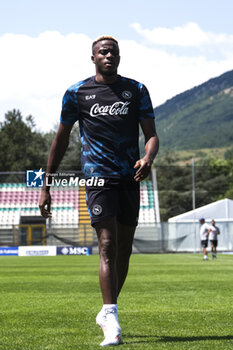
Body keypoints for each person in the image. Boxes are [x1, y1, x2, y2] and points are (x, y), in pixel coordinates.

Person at [39, 35, 159, 347]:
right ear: (93, 58)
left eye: (113, 52)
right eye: (102, 52)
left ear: (119, 57)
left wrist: (147, 158)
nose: (108, 56)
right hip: (97, 178)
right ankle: (112, 318)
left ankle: (107, 311)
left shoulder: (137, 90)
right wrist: (46, 185)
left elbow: (151, 136)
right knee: (107, 244)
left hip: (129, 178)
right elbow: (60, 140)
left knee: (123, 250)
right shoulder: (77, 92)